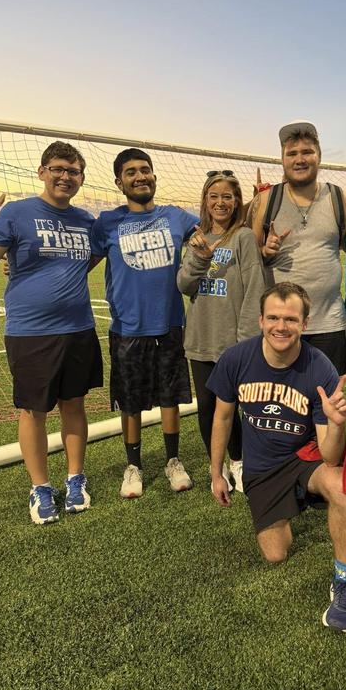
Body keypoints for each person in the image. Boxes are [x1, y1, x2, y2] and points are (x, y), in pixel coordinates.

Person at [207, 282, 346, 632]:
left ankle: (345, 581)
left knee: (343, 488)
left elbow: (331, 456)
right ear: (260, 320)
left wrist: (338, 424)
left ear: (305, 324)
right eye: (273, 317)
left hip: (306, 458)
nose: (281, 326)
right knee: (275, 554)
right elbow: (223, 417)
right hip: (263, 469)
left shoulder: (319, 366)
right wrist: (216, 472)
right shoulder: (237, 358)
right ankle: (290, 506)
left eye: (291, 319)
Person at [0, 142, 102, 525]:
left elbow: (85, 262)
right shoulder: (17, 212)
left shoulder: (86, 222)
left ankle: (75, 478)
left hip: (78, 328)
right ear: (42, 171)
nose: (65, 176)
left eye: (73, 171)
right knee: (33, 411)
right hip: (30, 332)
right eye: (58, 168)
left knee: (74, 404)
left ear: (81, 178)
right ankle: (40, 486)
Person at [90, 148, 198, 498]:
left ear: (154, 176)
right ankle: (133, 465)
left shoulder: (176, 217)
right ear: (119, 182)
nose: (140, 176)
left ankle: (172, 461)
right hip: (127, 327)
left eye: (145, 170)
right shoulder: (108, 222)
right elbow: (80, 263)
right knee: (131, 401)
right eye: (131, 172)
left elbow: (217, 229)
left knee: (170, 398)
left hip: (169, 324)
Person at [177, 171, 265, 492]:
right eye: (214, 196)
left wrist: (245, 342)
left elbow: (255, 290)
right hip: (201, 339)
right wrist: (199, 259)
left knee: (235, 408)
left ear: (236, 202)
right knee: (207, 408)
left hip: (233, 343)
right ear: (205, 201)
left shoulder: (243, 238)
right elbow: (184, 285)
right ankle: (218, 467)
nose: (220, 202)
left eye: (227, 196)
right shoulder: (197, 239)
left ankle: (239, 462)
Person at [250, 122, 346, 374]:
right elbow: (250, 260)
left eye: (307, 152)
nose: (300, 159)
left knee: (329, 402)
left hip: (329, 323)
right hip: (280, 326)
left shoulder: (339, 199)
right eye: (292, 153)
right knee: (282, 404)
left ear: (319, 156)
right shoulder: (266, 200)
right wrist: (265, 252)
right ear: (282, 159)